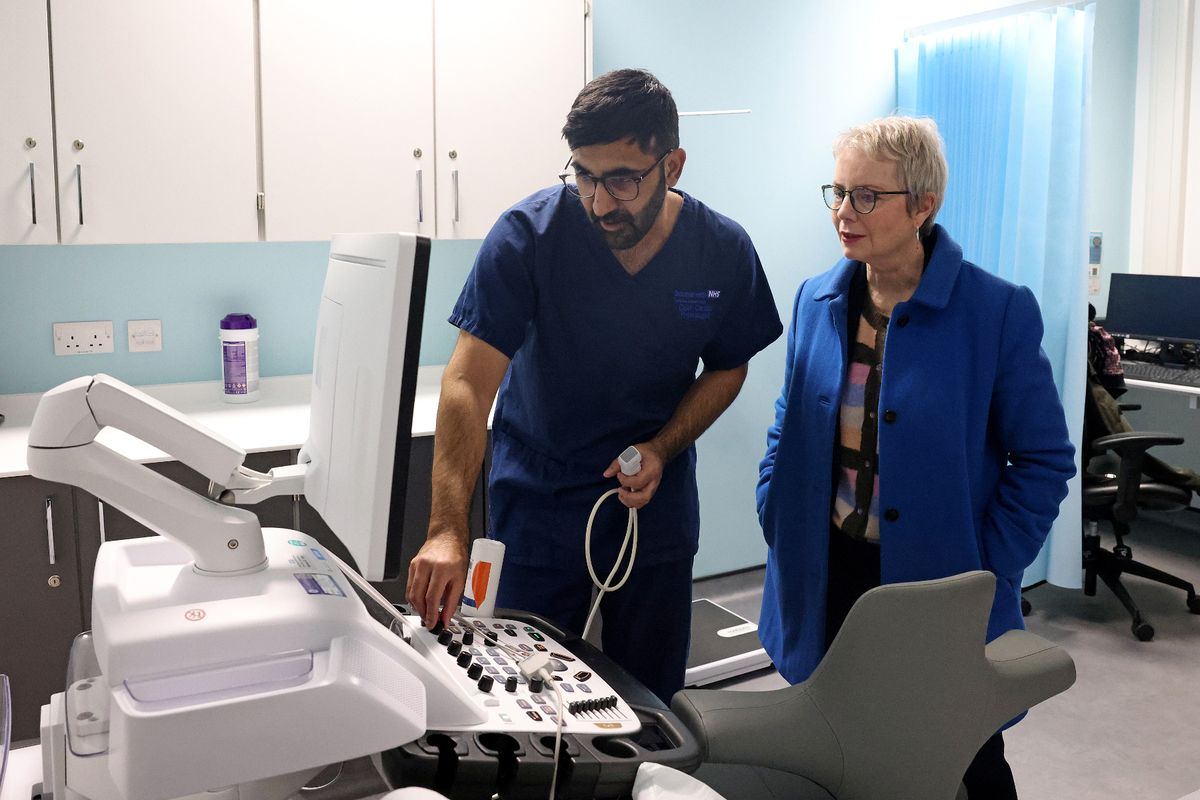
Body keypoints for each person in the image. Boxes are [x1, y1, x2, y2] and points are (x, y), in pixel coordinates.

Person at [406, 68, 782, 704]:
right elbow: (468, 382)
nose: (599, 201)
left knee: (651, 701)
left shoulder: (721, 250)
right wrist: (447, 528)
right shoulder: (528, 237)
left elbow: (729, 365)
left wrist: (663, 446)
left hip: (650, 515)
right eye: (582, 174)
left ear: (674, 165)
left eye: (622, 180)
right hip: (538, 508)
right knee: (525, 696)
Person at [755, 116, 1075, 798]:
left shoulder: (994, 311)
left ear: (923, 205)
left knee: (964, 749)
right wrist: (775, 508)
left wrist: (988, 560)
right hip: (828, 570)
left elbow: (1044, 458)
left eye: (866, 195)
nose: (844, 211)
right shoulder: (817, 301)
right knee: (836, 744)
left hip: (942, 584)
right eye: (837, 192)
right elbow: (791, 420)